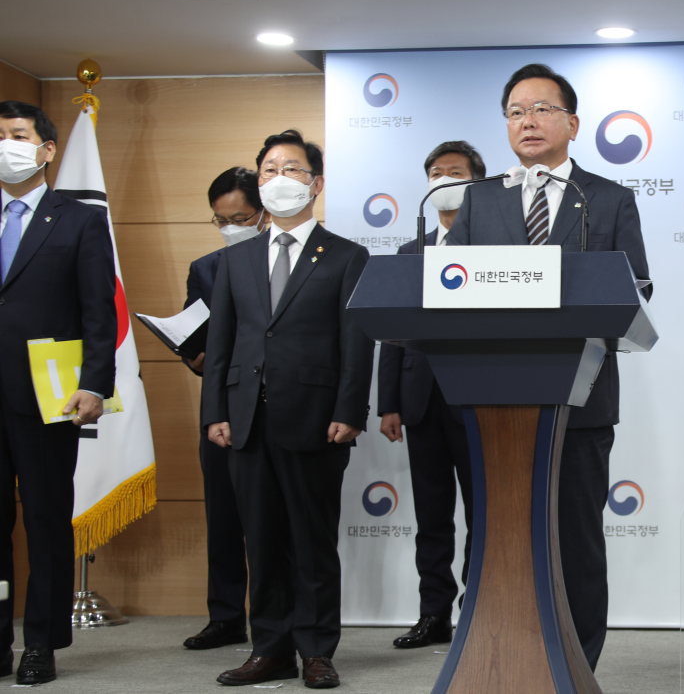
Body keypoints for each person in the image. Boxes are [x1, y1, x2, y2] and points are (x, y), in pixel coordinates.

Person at [447, 63, 651, 670]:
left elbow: (637, 289)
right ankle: (505, 660)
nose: (526, 121)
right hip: (494, 403)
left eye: (540, 109)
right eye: (514, 111)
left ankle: (575, 668)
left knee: (576, 543)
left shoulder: (609, 198)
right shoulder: (479, 200)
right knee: (500, 543)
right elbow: (447, 289)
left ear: (572, 122)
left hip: (580, 401)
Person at [202, 130, 374, 689]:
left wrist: (350, 411)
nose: (279, 179)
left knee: (312, 541)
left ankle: (317, 650)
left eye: (292, 169)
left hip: (317, 420)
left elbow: (356, 342)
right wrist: (215, 412)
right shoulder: (237, 259)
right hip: (247, 418)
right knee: (263, 538)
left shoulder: (348, 255)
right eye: (270, 169)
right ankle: (269, 648)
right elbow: (222, 342)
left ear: (316, 184)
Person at [0, 101, 116, 684]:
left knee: (45, 519)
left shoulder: (79, 218)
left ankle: (40, 642)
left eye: (17, 135)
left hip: (47, 397)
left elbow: (99, 309)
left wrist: (95, 382)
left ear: (46, 150)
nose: (6, 144)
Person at [378, 141, 485, 648]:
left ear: (477, 183)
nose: (444, 179)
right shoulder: (409, 251)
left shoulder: (497, 246)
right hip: (419, 400)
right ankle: (433, 614)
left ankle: (477, 610)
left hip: (479, 401)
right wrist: (389, 402)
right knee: (432, 518)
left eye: (456, 172)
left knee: (483, 514)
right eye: (436, 172)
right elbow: (391, 332)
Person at [180, 167, 270, 650]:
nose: (231, 226)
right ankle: (226, 616)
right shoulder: (206, 268)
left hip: (275, 403)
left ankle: (280, 619)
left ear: (263, 213)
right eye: (221, 220)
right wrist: (193, 357)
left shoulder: (291, 262)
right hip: (221, 407)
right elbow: (199, 346)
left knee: (276, 519)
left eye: (241, 217)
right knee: (223, 517)